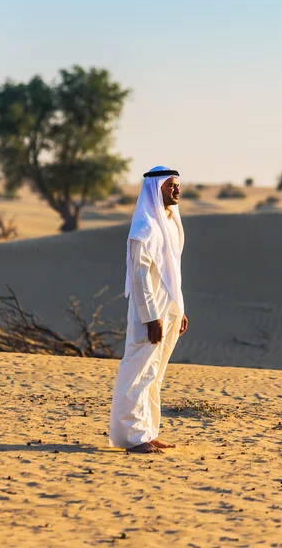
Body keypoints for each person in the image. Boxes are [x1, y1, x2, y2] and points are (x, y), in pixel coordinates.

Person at [109, 166, 188, 454]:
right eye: (170, 186)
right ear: (156, 189)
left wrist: (179, 309)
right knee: (137, 372)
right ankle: (131, 437)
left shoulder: (169, 224)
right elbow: (141, 277)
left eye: (178, 185)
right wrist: (151, 317)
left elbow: (172, 273)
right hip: (150, 314)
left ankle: (147, 431)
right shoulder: (144, 229)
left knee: (154, 374)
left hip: (167, 311)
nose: (176, 190)